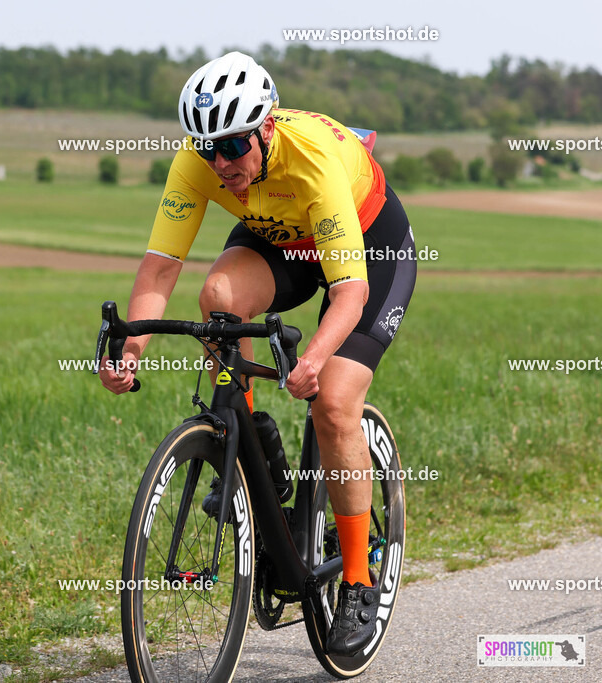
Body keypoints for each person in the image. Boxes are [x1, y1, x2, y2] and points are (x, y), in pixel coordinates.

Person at [98, 51, 416, 656]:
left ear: (266, 128)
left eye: (233, 146)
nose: (221, 163)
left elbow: (350, 293)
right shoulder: (199, 163)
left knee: (334, 403)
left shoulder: (311, 161)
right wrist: (132, 347)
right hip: (279, 236)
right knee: (219, 299)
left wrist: (314, 361)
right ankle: (249, 458)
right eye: (208, 149)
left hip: (369, 247)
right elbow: (161, 266)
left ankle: (358, 581)